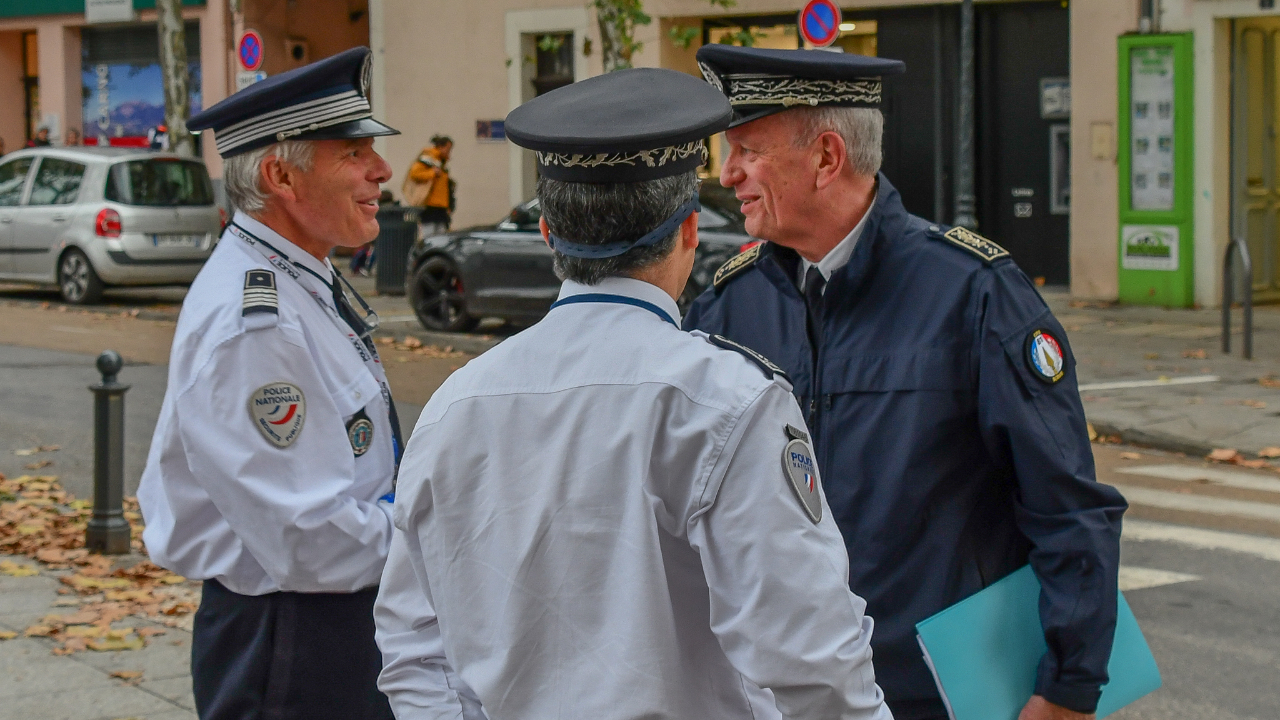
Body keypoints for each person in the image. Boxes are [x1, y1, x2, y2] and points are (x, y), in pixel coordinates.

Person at [374, 67, 892, 720]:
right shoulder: (726, 401)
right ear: (689, 231)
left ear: (549, 237)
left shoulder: (455, 406)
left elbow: (410, 643)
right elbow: (815, 665)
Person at [685, 45, 1128, 720]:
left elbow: (1067, 508)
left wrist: (1068, 688)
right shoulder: (728, 306)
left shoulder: (973, 296)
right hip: (774, 695)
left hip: (936, 693)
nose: (728, 172)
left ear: (827, 158)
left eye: (747, 149)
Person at [137, 47, 402, 720]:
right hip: (292, 632)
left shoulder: (290, 276)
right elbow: (306, 536)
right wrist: (430, 528)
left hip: (320, 616)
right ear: (282, 175)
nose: (382, 170)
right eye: (353, 153)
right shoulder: (257, 322)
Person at [403, 133, 452, 238]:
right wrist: (433, 173)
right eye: (448, 149)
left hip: (441, 207)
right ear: (440, 147)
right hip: (430, 206)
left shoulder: (441, 162)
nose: (449, 152)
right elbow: (414, 173)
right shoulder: (429, 158)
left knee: (441, 236)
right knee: (429, 236)